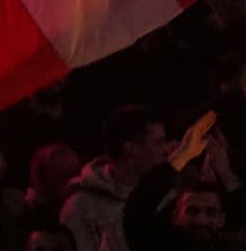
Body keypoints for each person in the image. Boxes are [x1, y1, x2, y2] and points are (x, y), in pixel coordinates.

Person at [63, 106, 172, 251]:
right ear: (130, 149)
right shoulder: (80, 208)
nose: (166, 150)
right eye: (158, 143)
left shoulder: (168, 197)